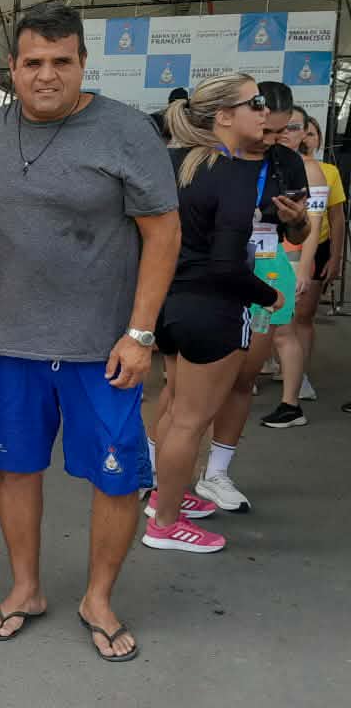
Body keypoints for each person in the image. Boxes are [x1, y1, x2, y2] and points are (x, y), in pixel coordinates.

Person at [0, 3, 181, 660]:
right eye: (33, 62)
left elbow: (163, 233)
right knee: (16, 469)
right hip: (6, 342)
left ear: (83, 63)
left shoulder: (126, 131)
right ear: (12, 68)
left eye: (61, 61)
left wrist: (141, 334)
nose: (46, 75)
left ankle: (98, 599)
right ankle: (25, 589)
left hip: (102, 348)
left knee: (116, 477)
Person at [144, 74, 280, 555]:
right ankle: (165, 522)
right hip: (211, 310)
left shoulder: (169, 163)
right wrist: (268, 295)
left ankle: (165, 498)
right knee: (189, 420)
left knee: (176, 408)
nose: (265, 112)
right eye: (255, 103)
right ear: (223, 115)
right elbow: (227, 266)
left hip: (166, 306)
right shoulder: (233, 174)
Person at [165, 82, 313, 513]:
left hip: (257, 271)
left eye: (281, 130)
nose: (272, 134)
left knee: (238, 381)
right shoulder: (201, 165)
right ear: (227, 116)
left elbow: (299, 230)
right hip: (212, 285)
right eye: (262, 118)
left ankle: (210, 476)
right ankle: (165, 492)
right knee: (183, 399)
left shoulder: (285, 163)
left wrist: (297, 223)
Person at [262, 103, 327, 421]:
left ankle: (292, 402)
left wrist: (303, 267)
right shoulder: (273, 162)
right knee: (263, 329)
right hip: (265, 254)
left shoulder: (309, 169)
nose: (284, 134)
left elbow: (313, 223)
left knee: (283, 331)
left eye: (292, 128)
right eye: (279, 128)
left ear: (304, 132)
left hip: (290, 257)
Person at [285, 110, 344, 403]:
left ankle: (298, 381)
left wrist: (334, 258)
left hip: (310, 250)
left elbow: (334, 218)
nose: (300, 136)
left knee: (300, 318)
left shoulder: (322, 171)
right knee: (272, 324)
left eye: (306, 131)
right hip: (273, 253)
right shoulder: (270, 165)